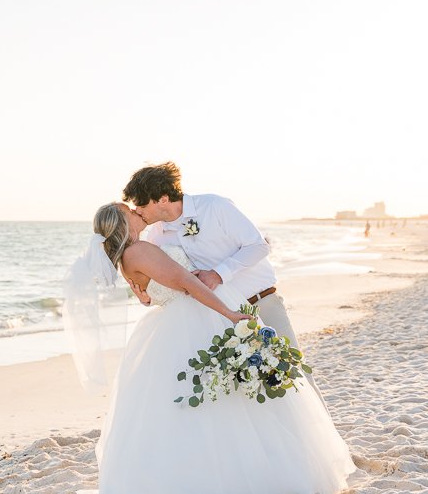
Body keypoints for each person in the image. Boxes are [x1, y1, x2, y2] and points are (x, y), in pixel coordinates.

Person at [55, 202, 355, 494]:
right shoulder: (138, 250)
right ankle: (242, 483)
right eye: (131, 211)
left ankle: (225, 477)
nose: (138, 212)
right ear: (124, 221)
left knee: (210, 405)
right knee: (228, 401)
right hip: (198, 316)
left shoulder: (127, 258)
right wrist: (228, 314)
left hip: (175, 324)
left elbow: (149, 297)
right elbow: (186, 282)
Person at [122, 162, 328, 410]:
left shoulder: (215, 207)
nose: (138, 211)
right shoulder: (156, 234)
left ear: (163, 199)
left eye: (141, 205)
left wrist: (219, 274)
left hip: (260, 301)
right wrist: (148, 297)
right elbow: (168, 279)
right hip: (221, 319)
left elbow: (259, 245)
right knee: (247, 388)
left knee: (293, 373)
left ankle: (324, 443)